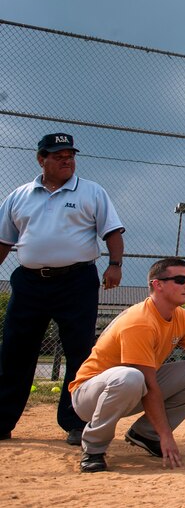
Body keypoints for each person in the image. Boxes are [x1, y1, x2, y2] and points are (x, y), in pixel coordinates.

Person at [0, 133, 124, 446]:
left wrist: (115, 265)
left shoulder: (91, 192)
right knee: (15, 352)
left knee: (79, 353)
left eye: (70, 155)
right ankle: (2, 419)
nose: (67, 160)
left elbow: (111, 231)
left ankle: (75, 422)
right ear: (41, 160)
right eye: (58, 156)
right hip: (29, 283)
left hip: (76, 282)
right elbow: (4, 241)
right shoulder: (20, 196)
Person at [70, 258, 185, 473]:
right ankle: (94, 448)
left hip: (132, 387)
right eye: (180, 280)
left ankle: (146, 434)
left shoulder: (182, 317)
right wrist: (166, 434)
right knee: (131, 377)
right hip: (89, 395)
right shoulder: (140, 321)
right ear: (157, 284)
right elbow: (149, 385)